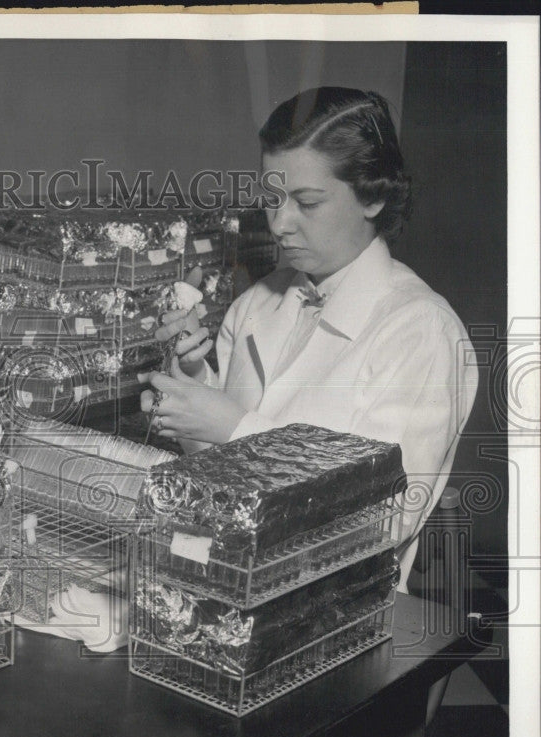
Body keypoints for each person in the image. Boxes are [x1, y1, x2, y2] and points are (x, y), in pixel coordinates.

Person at [140, 87, 478, 587]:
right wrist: (191, 382)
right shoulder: (256, 304)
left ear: (374, 196)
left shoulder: (420, 330)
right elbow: (211, 472)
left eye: (307, 202)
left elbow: (383, 521)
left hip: (333, 604)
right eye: (272, 200)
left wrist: (235, 430)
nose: (279, 224)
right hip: (227, 577)